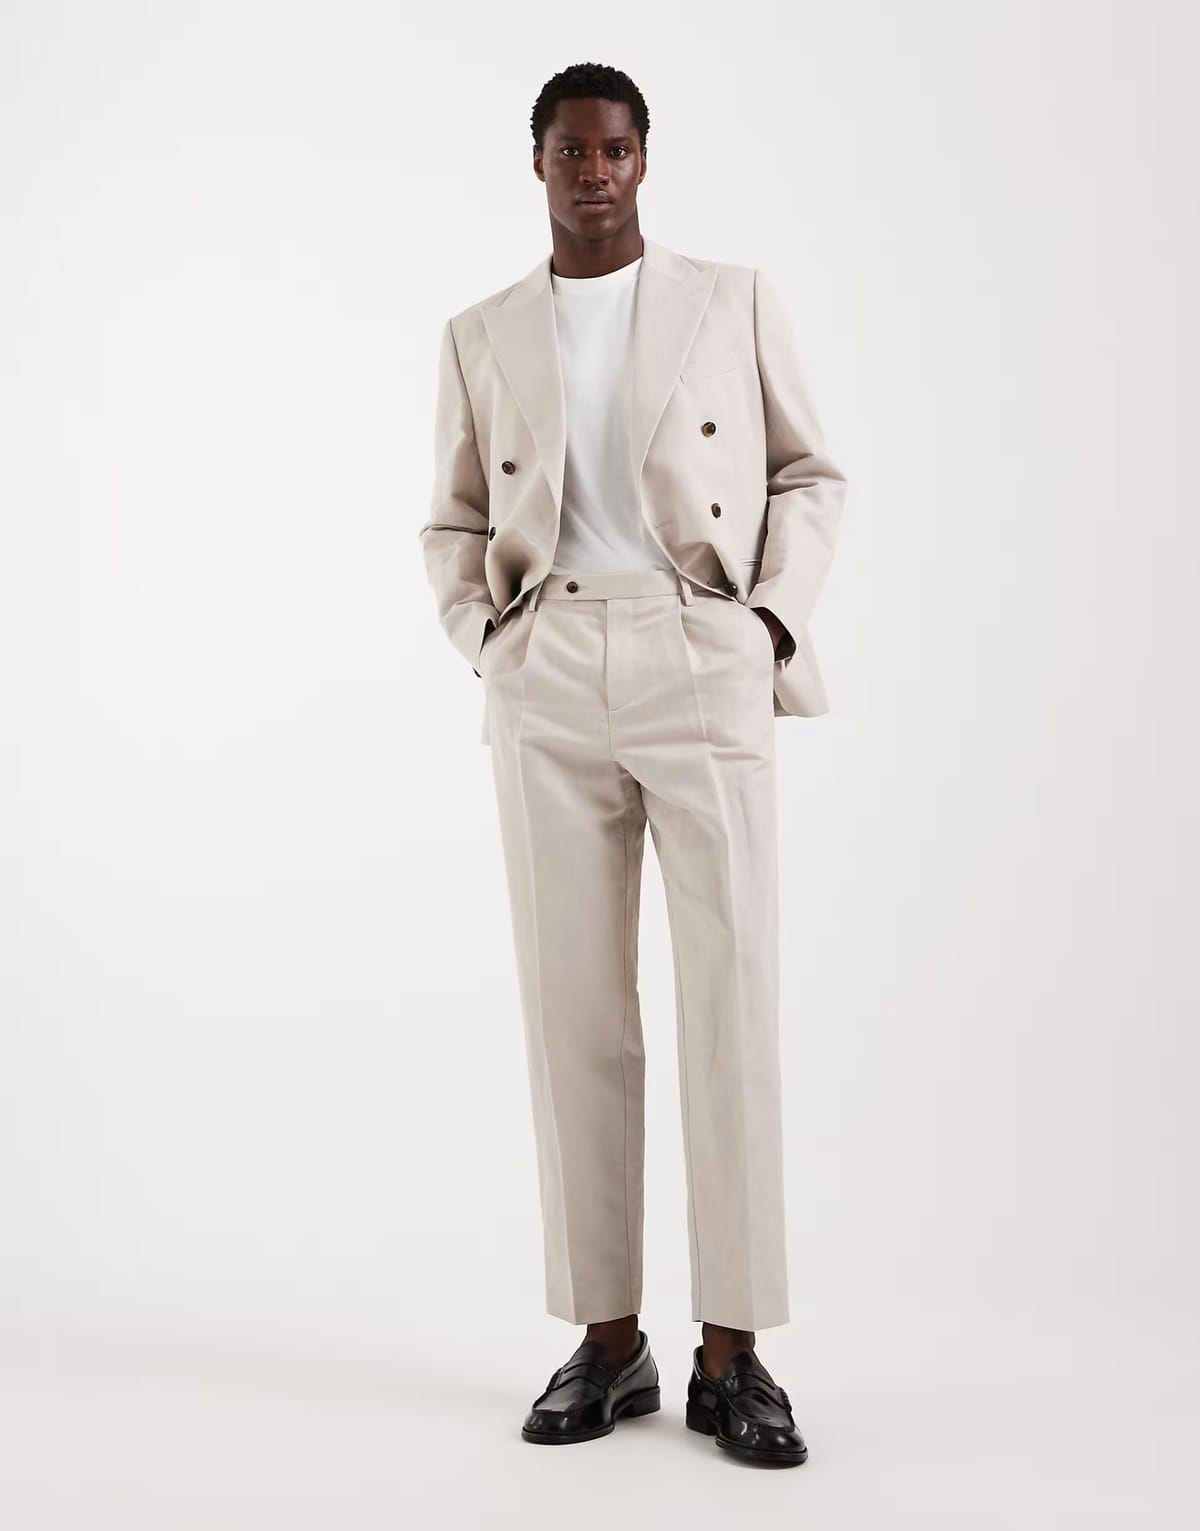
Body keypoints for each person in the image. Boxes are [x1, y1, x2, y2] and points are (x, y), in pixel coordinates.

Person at [418, 60, 846, 1467]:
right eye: (570, 150)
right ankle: (610, 1341)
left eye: (613, 149)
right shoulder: (481, 333)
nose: (592, 171)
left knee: (732, 1001)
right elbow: (452, 518)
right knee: (574, 1012)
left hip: (696, 651)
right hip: (550, 669)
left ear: (645, 160)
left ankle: (734, 1350)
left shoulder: (730, 300)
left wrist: (765, 623)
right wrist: (489, 640)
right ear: (537, 164)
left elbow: (808, 473)